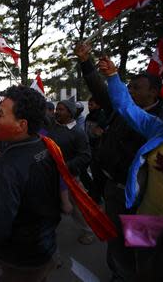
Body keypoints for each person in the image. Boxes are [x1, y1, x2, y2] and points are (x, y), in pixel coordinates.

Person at [75, 41, 163, 281]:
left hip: (160, 219)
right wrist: (110, 74)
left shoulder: (160, 116)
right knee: (138, 258)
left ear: (154, 92)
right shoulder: (158, 129)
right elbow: (121, 103)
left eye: (137, 87)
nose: (131, 90)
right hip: (139, 207)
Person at [98, 57, 163, 276]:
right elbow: (125, 107)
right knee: (143, 269)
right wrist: (113, 77)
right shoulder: (159, 130)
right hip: (146, 217)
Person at [0, 85, 61, 282]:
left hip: (16, 260)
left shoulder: (7, 168)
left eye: (0, 115)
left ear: (21, 125)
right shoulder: (44, 145)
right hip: (44, 247)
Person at [47, 100, 93, 243]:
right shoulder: (52, 126)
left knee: (78, 208)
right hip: (51, 176)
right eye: (57, 109)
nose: (57, 112)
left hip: (70, 177)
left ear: (70, 112)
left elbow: (86, 156)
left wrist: (67, 166)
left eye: (61, 109)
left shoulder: (77, 132)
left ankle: (88, 231)